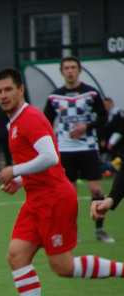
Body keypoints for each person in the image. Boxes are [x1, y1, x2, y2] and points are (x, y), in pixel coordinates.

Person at [0, 68, 123, 296]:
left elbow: (50, 157)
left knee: (63, 267)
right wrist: (20, 181)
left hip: (54, 199)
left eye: (8, 89)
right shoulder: (14, 122)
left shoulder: (29, 118)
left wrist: (15, 170)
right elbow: (40, 161)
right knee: (17, 255)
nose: (3, 95)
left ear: (21, 90)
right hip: (36, 199)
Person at [43, 56, 113, 243]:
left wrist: (86, 127)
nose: (70, 71)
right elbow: (45, 122)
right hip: (65, 150)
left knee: (96, 191)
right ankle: (72, 233)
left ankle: (100, 230)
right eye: (66, 68)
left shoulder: (91, 94)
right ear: (62, 71)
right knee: (68, 195)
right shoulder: (54, 97)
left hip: (88, 148)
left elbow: (103, 117)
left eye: (73, 67)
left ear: (79, 70)